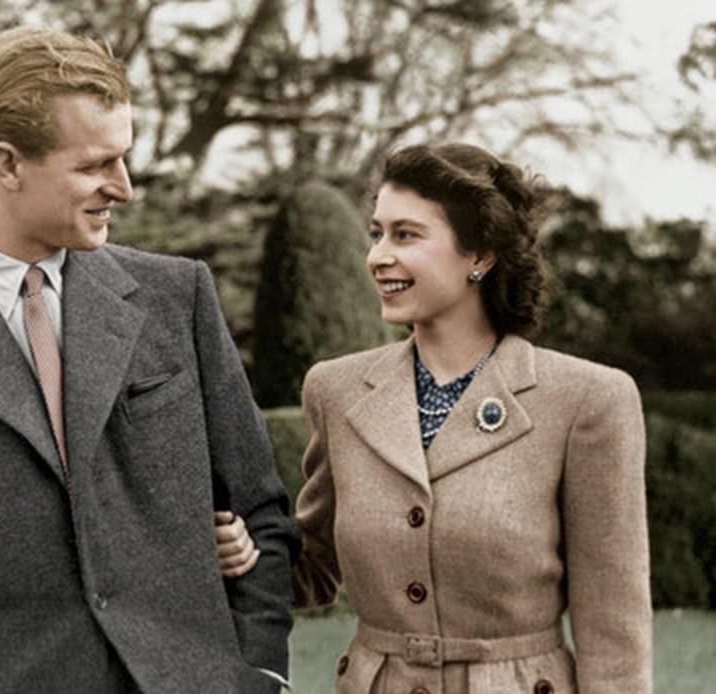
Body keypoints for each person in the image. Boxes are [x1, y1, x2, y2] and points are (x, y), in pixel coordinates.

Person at [0, 26, 295, 693]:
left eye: (124, 159)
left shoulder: (177, 297)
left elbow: (262, 513)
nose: (123, 187)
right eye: (96, 165)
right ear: (8, 164)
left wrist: (261, 673)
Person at [219, 143, 652, 693]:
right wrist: (245, 554)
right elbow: (315, 567)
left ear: (480, 255)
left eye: (405, 235)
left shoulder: (588, 401)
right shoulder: (335, 391)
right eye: (376, 234)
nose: (377, 256)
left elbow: (613, 630)